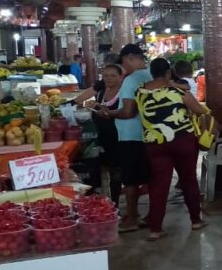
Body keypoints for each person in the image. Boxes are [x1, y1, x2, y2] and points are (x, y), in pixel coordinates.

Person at [136, 58, 209, 241]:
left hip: (155, 143)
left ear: (151, 73)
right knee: (189, 181)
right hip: (183, 141)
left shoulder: (140, 93)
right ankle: (196, 221)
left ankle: (155, 229)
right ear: (168, 73)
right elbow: (199, 111)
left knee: (158, 186)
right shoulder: (178, 92)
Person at [96, 44, 152, 232]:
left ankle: (132, 218)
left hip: (130, 135)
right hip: (151, 133)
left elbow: (128, 112)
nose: (124, 67)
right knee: (150, 176)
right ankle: (151, 214)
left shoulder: (131, 80)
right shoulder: (153, 75)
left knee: (130, 180)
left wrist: (109, 113)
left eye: (124, 62)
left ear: (130, 58)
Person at [78, 64, 124, 206]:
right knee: (102, 170)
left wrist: (107, 113)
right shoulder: (101, 92)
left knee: (116, 174)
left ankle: (115, 204)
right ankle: (105, 203)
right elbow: (81, 101)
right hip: (101, 138)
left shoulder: (124, 93)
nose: (108, 79)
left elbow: (126, 113)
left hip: (118, 139)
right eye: (105, 76)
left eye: (113, 76)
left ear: (120, 77)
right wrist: (94, 106)